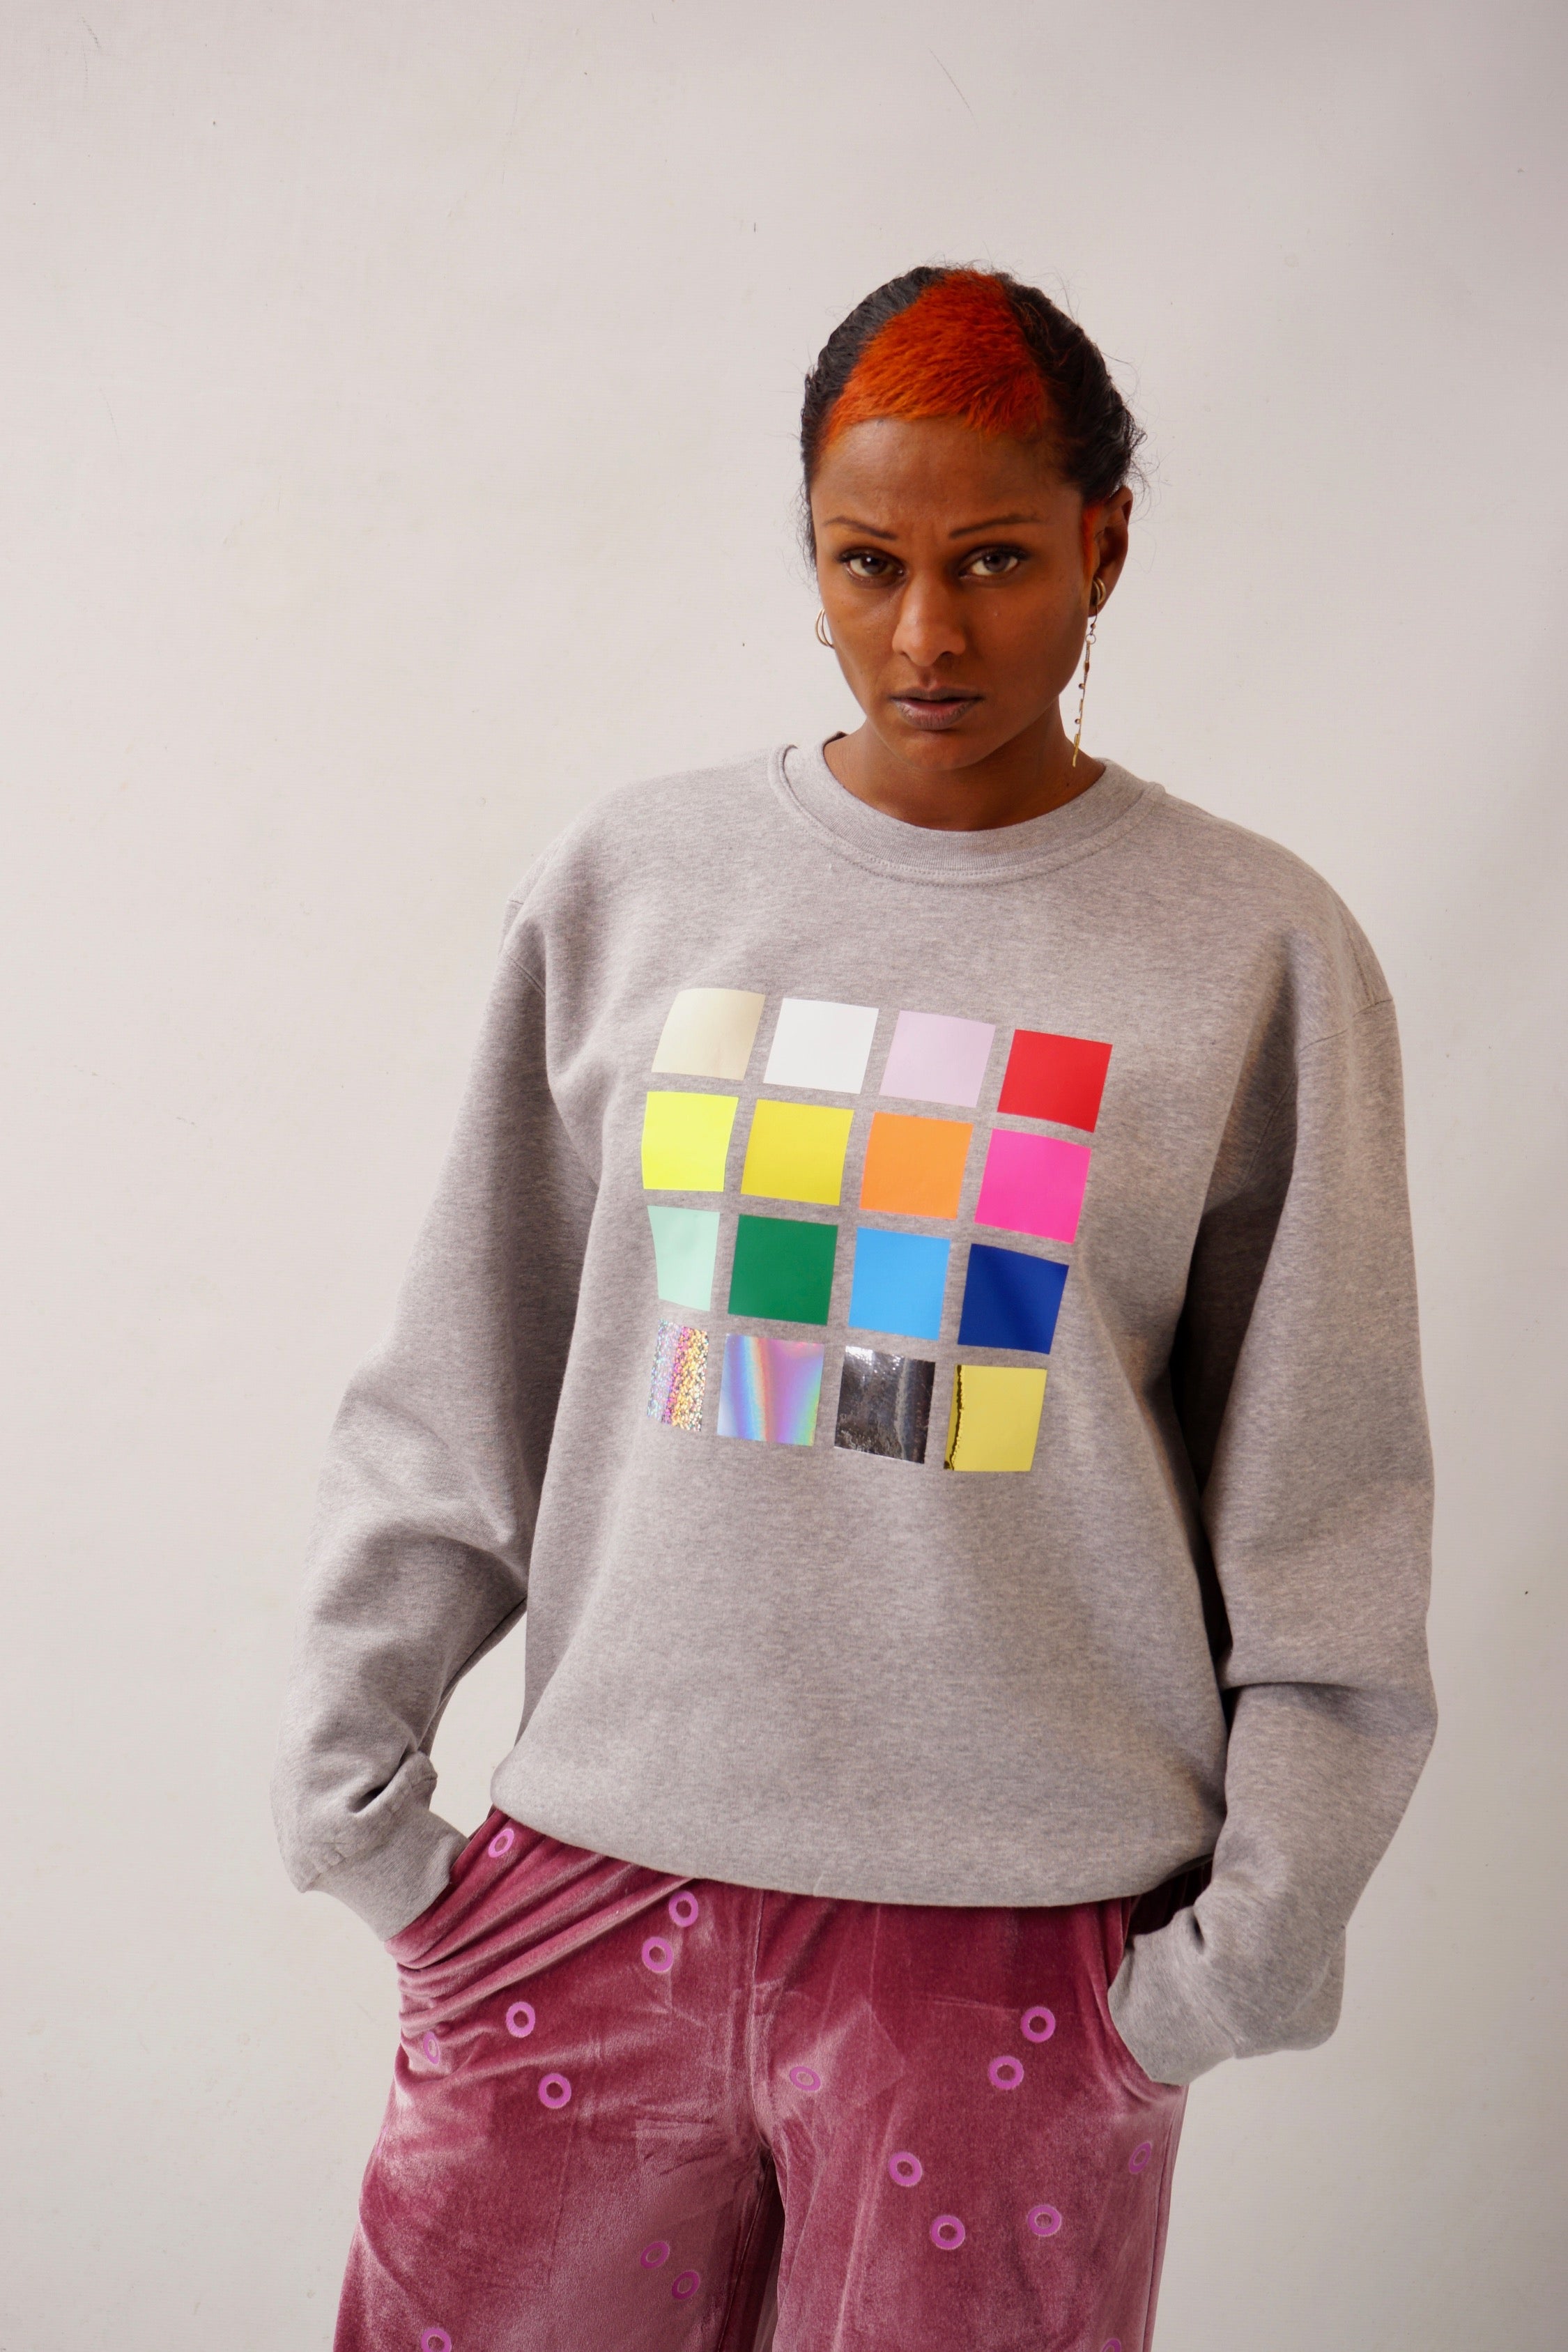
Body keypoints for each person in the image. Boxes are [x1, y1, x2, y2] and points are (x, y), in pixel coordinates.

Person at [271, 265, 1436, 2352]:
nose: (927, 636)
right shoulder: (634, 884)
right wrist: (364, 1808)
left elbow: (1325, 1495)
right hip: (577, 1908)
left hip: (1022, 1960)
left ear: (1102, 545)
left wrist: (1234, 1965)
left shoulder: (1251, 947)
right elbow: (463, 1376)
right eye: (866, 563)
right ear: (806, 552)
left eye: (994, 561)